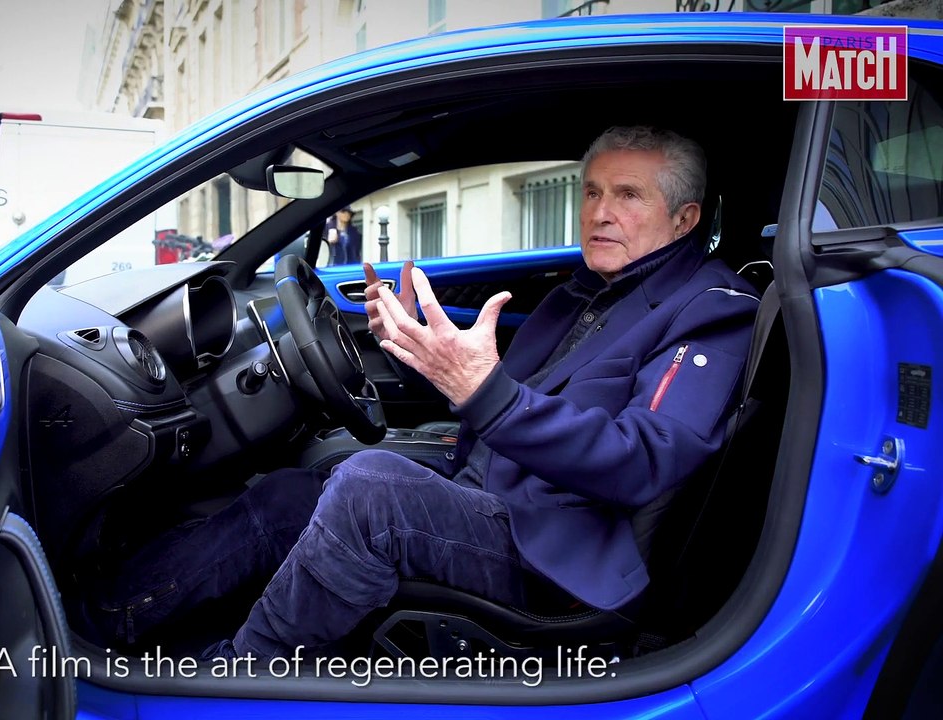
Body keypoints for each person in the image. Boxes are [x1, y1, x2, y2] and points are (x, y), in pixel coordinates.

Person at [85, 126, 760, 661]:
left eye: (628, 195)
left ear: (684, 217)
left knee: (369, 488)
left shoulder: (708, 309)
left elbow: (642, 460)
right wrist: (413, 347)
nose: (599, 212)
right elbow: (494, 387)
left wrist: (483, 390)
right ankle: (110, 614)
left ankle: (245, 675)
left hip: (558, 553)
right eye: (590, 192)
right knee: (292, 489)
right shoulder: (584, 293)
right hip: (498, 493)